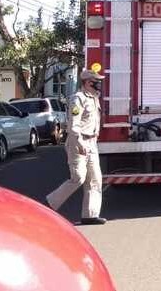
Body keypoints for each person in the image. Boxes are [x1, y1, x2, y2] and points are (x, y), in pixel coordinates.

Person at [46, 70, 106, 225]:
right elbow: (74, 125)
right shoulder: (78, 99)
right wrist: (79, 143)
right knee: (78, 177)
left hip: (92, 143)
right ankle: (49, 205)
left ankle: (90, 215)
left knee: (95, 180)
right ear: (87, 82)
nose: (99, 83)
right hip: (78, 141)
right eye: (96, 80)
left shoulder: (94, 98)